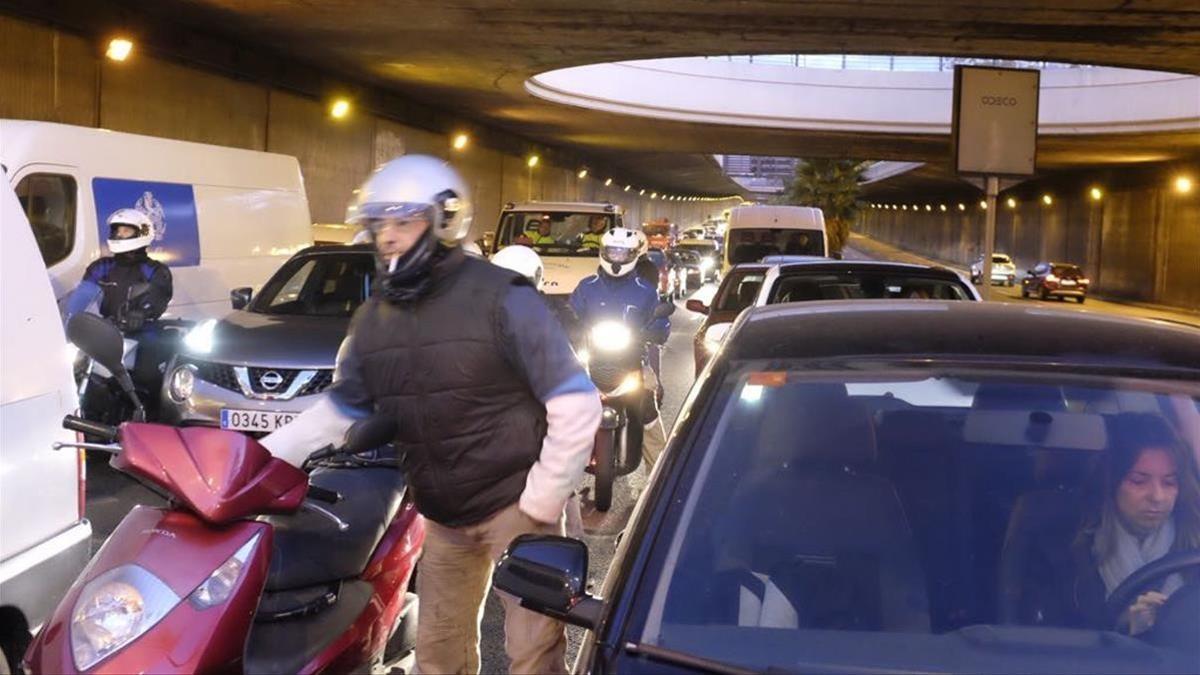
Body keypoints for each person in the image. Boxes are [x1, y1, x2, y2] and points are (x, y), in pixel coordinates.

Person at [261, 155, 601, 675]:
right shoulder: (374, 319)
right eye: (380, 224)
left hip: (517, 505)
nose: (387, 236)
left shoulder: (500, 296)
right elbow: (334, 414)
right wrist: (248, 464)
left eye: (403, 221)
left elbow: (576, 401)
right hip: (443, 513)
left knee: (533, 656)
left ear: (445, 220)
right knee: (439, 654)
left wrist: (541, 499)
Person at [1029, 413, 1200, 633]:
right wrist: (1122, 627)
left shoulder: (1194, 543)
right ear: (1111, 483)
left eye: (1169, 482)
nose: (1157, 496)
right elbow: (1054, 644)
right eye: (1138, 481)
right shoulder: (1064, 550)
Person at [570, 227, 669, 469]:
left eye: (622, 253)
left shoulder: (645, 291)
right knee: (556, 404)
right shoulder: (586, 287)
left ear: (634, 255)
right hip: (589, 360)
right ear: (603, 253)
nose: (617, 258)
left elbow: (660, 320)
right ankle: (551, 475)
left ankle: (661, 477)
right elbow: (569, 315)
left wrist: (657, 328)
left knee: (648, 410)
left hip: (632, 360)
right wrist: (563, 329)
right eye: (612, 252)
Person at [64, 208, 174, 406]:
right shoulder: (101, 267)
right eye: (117, 231)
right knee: (77, 369)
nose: (119, 235)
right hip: (105, 331)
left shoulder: (155, 270)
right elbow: (83, 294)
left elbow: (158, 295)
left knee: (147, 374)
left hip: (140, 332)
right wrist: (70, 316)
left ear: (142, 233)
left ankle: (146, 415)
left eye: (125, 231)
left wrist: (142, 311)